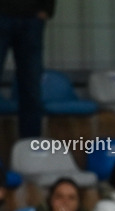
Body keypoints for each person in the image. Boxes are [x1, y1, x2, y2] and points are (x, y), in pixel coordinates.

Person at [0, 1, 52, 138]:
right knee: (31, 86)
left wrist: (46, 8)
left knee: (31, 86)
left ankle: (31, 148)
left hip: (31, 15)